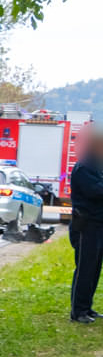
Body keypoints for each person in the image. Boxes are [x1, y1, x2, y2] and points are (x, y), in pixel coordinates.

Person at [69, 123, 103, 324]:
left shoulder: (96, 166)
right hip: (87, 225)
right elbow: (96, 191)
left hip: (98, 224)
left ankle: (87, 307)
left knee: (95, 268)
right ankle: (78, 311)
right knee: (85, 268)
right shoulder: (84, 167)